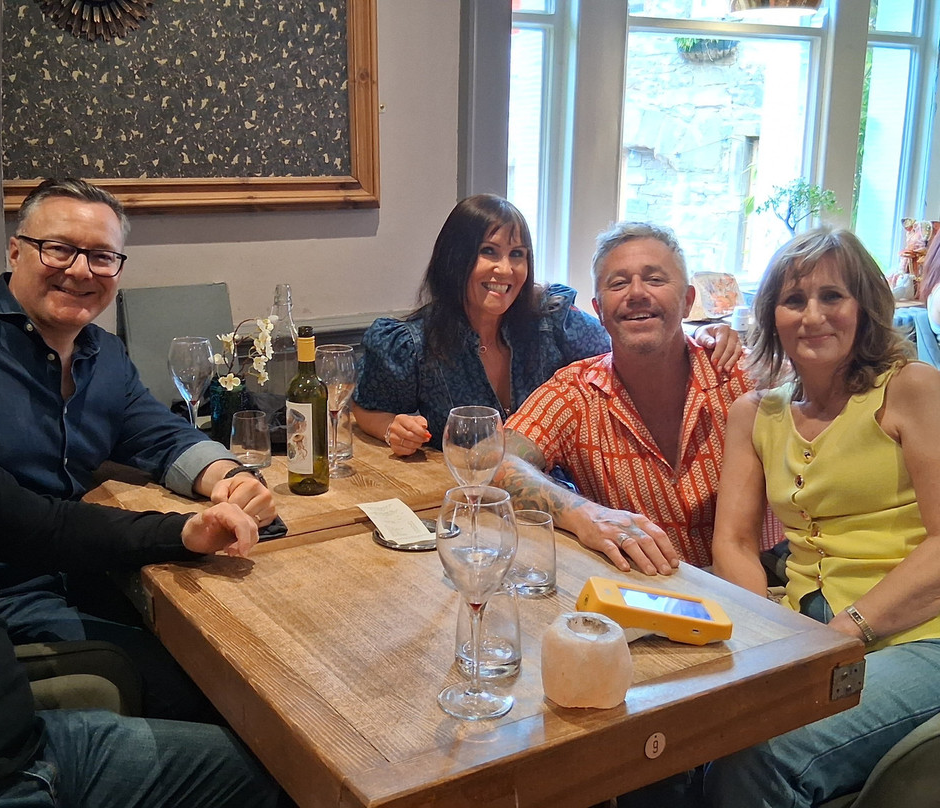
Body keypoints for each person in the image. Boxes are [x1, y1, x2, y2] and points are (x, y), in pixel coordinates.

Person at [0, 198, 283, 807]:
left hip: (53, 651)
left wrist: (217, 488)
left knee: (271, 755)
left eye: (102, 256)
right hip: (1, 605)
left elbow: (109, 473)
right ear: (15, 251)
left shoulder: (97, 357)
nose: (81, 270)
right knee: (201, 681)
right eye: (59, 248)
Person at [704, 227, 940, 807]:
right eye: (794, 300)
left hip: (920, 637)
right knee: (676, 733)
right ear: (771, 315)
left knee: (762, 753)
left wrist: (841, 635)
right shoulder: (754, 413)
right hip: (804, 631)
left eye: (832, 296)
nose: (813, 316)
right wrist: (760, 640)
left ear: (865, 306)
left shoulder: (911, 388)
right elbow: (733, 541)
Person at [352, 194, 740, 456]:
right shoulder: (410, 343)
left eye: (517, 254)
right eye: (488, 252)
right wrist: (392, 428)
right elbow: (366, 409)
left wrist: (699, 333)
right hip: (455, 498)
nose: (505, 269)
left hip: (549, 499)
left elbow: (627, 342)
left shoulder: (551, 321)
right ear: (455, 259)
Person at [494, 221, 755, 574]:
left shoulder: (741, 377)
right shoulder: (575, 392)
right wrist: (585, 515)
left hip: (756, 590)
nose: (636, 293)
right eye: (618, 283)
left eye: (655, 279)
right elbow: (497, 462)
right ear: (599, 309)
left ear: (688, 301)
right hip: (638, 592)